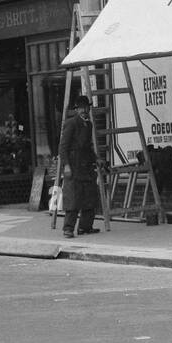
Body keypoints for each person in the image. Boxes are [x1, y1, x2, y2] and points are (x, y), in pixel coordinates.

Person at [58, 93, 101, 237]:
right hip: (74, 165)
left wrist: (96, 159)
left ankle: (85, 227)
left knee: (90, 197)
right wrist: (66, 165)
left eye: (85, 108)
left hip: (87, 166)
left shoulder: (89, 124)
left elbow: (88, 147)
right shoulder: (71, 123)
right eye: (81, 108)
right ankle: (68, 229)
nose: (83, 110)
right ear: (77, 110)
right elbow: (63, 147)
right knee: (73, 199)